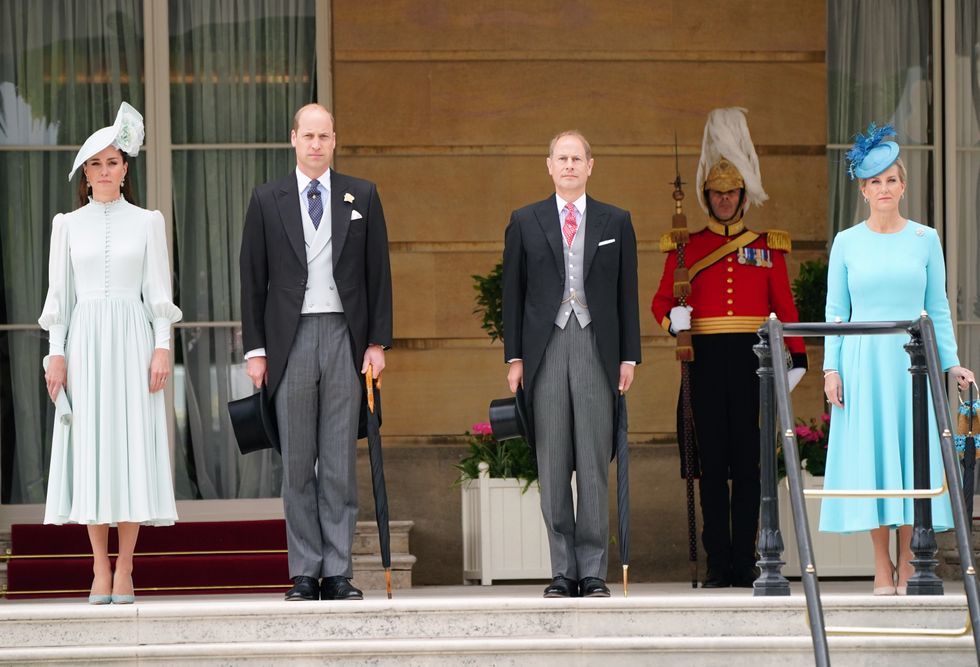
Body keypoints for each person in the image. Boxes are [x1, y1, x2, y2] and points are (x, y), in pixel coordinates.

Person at [239, 103, 392, 602]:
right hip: (291, 340)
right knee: (298, 459)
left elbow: (378, 275)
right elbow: (252, 279)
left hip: (345, 339)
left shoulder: (362, 194)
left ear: (334, 140)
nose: (316, 144)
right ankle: (305, 570)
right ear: (293, 139)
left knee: (340, 462)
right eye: (308, 135)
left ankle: (339, 570)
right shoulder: (267, 199)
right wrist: (256, 350)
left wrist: (375, 342)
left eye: (324, 135)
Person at [652, 107, 807, 588]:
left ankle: (749, 559)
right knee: (711, 466)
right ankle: (720, 562)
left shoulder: (768, 246)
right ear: (707, 196)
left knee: (751, 466)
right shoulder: (685, 246)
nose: (724, 200)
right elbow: (660, 301)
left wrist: (796, 358)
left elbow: (785, 306)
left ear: (742, 196)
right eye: (716, 194)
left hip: (752, 363)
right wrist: (671, 319)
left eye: (731, 193)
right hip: (703, 362)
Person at [820, 123, 975, 595]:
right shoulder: (846, 242)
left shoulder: (925, 239)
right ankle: (880, 565)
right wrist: (831, 368)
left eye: (891, 179)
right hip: (864, 363)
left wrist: (951, 363)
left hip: (914, 363)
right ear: (863, 190)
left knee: (914, 461)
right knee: (873, 461)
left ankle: (910, 559)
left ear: (903, 186)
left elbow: (939, 306)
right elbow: (834, 312)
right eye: (875, 182)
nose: (884, 188)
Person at [39, 102, 181, 604]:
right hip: (84, 345)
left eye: (113, 162)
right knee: (93, 451)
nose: (104, 171)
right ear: (85, 172)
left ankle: (126, 568)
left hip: (132, 344)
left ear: (125, 168)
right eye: (95, 163)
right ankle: (99, 567)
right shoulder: (66, 225)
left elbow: (158, 294)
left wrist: (162, 347)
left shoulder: (147, 222)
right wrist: (55, 353)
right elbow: (59, 297)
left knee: (131, 450)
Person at [502, 130, 641, 598]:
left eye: (576, 158)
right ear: (549, 165)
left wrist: (628, 356)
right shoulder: (524, 221)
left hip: (596, 347)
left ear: (590, 165)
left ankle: (593, 570)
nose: (568, 166)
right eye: (561, 158)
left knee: (593, 462)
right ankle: (563, 569)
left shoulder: (616, 221)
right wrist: (515, 357)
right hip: (545, 349)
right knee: (554, 461)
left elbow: (627, 292)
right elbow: (513, 295)